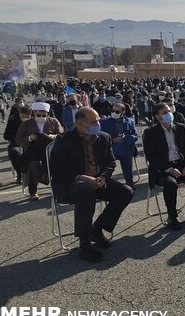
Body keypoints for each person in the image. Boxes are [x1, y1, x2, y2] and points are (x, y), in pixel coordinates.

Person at [50, 107, 133, 262]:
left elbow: (110, 162)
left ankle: (97, 228)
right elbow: (56, 171)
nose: (98, 124)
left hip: (97, 181)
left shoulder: (104, 137)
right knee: (85, 189)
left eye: (98, 121)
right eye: (93, 122)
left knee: (126, 191)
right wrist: (82, 177)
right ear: (80, 124)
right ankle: (85, 242)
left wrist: (103, 176)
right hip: (70, 184)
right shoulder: (64, 140)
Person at [143, 103, 185, 230]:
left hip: (182, 164)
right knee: (170, 184)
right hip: (162, 168)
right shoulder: (150, 132)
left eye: (169, 111)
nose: (169, 114)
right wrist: (169, 169)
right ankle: (172, 217)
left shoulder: (180, 128)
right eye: (165, 113)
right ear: (158, 117)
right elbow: (151, 157)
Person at [15, 102, 63, 200]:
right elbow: (18, 139)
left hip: (51, 151)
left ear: (47, 114)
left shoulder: (53, 121)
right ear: (34, 113)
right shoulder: (27, 124)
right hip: (33, 152)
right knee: (32, 164)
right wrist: (29, 138)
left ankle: (56, 187)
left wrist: (53, 136)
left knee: (58, 163)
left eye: (44, 115)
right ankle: (33, 191)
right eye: (39, 115)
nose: (41, 117)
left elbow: (62, 135)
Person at [100, 102, 138, 189]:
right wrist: (113, 140)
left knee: (128, 140)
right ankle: (129, 180)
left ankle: (129, 180)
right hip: (110, 149)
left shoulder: (130, 121)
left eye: (117, 112)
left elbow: (135, 135)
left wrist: (125, 138)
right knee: (127, 154)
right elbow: (100, 137)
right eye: (112, 110)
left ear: (122, 112)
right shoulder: (104, 122)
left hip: (124, 147)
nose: (114, 113)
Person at [4, 104, 32, 184]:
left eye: (26, 117)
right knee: (14, 153)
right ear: (19, 113)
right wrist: (18, 137)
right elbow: (6, 135)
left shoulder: (33, 121)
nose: (24, 118)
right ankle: (20, 174)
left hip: (31, 144)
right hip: (17, 143)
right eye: (22, 116)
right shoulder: (13, 120)